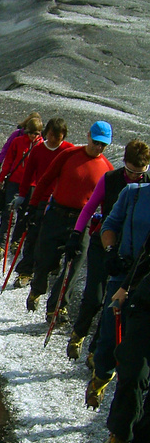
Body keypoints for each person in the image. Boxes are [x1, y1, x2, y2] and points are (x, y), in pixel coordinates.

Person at [66, 140, 150, 360]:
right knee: (94, 296)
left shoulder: (147, 186)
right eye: (130, 171)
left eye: (140, 173)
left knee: (113, 304)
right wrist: (76, 234)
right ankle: (78, 334)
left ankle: (96, 353)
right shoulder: (110, 179)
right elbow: (89, 208)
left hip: (130, 253)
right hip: (102, 245)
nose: (134, 177)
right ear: (124, 163)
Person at [25, 121, 113, 321]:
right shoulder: (69, 155)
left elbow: (109, 201)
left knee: (73, 267)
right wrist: (32, 206)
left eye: (103, 145)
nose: (98, 147)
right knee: (44, 261)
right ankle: (37, 289)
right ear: (89, 136)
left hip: (83, 222)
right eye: (96, 142)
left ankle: (56, 307)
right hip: (56, 214)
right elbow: (46, 179)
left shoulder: (107, 169)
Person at [85, 177, 150, 408]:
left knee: (137, 357)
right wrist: (111, 251)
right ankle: (101, 377)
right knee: (110, 339)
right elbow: (109, 225)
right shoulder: (133, 193)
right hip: (123, 275)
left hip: (147, 282)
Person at [99, 255, 150, 443]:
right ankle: (119, 434)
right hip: (146, 304)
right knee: (132, 372)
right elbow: (147, 254)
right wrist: (126, 286)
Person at [11, 117, 72, 287]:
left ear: (63, 136)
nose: (53, 140)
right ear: (46, 133)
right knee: (32, 236)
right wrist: (22, 196)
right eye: (51, 135)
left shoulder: (69, 151)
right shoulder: (38, 150)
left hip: (60, 202)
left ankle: (50, 267)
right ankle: (25, 272)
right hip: (39, 199)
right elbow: (28, 174)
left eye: (58, 137)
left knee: (54, 239)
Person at [0, 115, 43, 259]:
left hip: (31, 185)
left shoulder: (41, 146)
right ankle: (1, 245)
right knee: (7, 213)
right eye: (30, 133)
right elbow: (8, 161)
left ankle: (15, 242)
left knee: (24, 215)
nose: (33, 136)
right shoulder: (17, 141)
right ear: (26, 131)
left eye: (36, 133)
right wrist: (1, 179)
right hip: (14, 182)